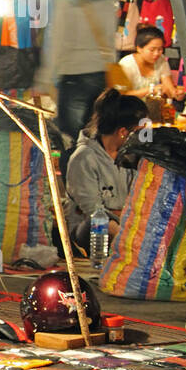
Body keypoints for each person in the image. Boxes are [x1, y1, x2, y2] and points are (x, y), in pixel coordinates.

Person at [33, 0, 120, 139]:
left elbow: (56, 42)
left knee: (75, 138)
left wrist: (44, 79)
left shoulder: (66, 0)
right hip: (101, 75)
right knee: (98, 136)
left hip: (73, 78)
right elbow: (111, 37)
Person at [65, 88, 148, 253]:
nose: (144, 136)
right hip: (88, 234)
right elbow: (93, 211)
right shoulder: (84, 158)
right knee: (99, 223)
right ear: (124, 132)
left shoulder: (131, 157)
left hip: (125, 225)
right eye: (140, 132)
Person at [118, 25, 186, 106]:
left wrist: (176, 94)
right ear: (139, 48)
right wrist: (151, 90)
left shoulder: (161, 60)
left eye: (160, 49)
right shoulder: (125, 64)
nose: (157, 53)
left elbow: (169, 86)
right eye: (152, 50)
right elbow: (120, 95)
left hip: (150, 110)